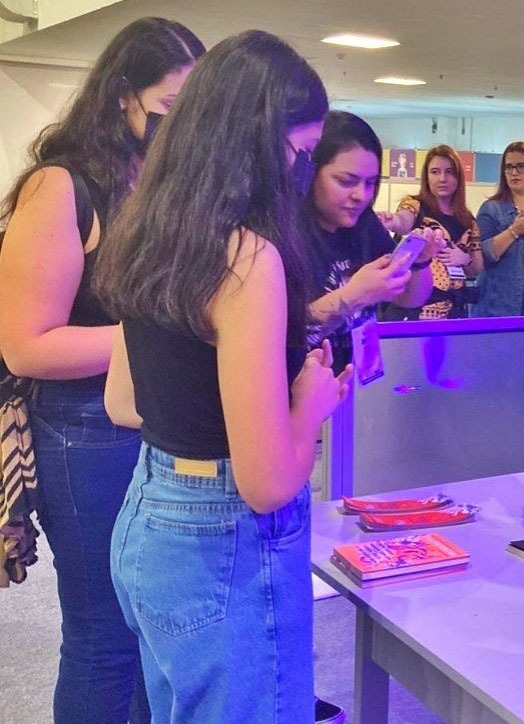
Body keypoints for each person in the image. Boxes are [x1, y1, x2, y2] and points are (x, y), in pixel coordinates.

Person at [93, 31, 348, 723]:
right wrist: (310, 402)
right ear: (258, 143)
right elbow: (265, 483)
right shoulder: (247, 259)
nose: (298, 175)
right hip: (222, 540)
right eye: (297, 154)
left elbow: (123, 401)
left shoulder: (145, 226)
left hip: (150, 513)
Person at [0, 18, 204, 724]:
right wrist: (153, 335)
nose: (182, 130)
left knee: (153, 634)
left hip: (156, 426)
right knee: (103, 637)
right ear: (123, 97)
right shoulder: (63, 187)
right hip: (83, 433)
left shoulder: (163, 190)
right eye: (171, 110)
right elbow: (26, 346)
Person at [303, 111, 440, 371]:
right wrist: (355, 294)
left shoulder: (366, 226)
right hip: (308, 393)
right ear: (311, 172)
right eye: (346, 181)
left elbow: (409, 300)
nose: (361, 195)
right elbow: (286, 332)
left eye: (371, 183)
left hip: (361, 382)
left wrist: (420, 263)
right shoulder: (283, 237)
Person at [380, 144, 482, 320]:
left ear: (458, 177)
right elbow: (404, 221)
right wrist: (392, 221)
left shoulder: (468, 220)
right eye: (435, 172)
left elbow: (477, 267)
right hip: (415, 307)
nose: (442, 178)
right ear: (426, 176)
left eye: (449, 172)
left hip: (455, 310)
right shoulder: (416, 205)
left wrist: (465, 259)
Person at [473, 141, 524, 317]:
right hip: (497, 306)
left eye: (521, 166)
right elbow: (481, 256)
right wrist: (513, 232)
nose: (514, 172)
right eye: (509, 167)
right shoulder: (491, 208)